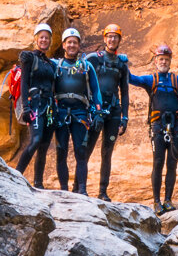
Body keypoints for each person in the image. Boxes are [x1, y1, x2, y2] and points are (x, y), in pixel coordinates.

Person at [84, 23, 151, 201]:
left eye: (115, 37)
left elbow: (125, 92)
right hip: (96, 110)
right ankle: (79, 188)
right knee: (87, 147)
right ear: (104, 39)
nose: (112, 39)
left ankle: (102, 192)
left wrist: (125, 117)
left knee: (107, 151)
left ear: (119, 40)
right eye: (109, 36)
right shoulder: (94, 58)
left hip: (113, 112)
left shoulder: (121, 65)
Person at [50, 27, 102, 193]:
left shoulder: (87, 66)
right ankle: (64, 190)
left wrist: (99, 112)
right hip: (61, 113)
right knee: (61, 151)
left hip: (80, 113)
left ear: (79, 45)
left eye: (75, 42)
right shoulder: (55, 64)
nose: (72, 45)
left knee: (81, 151)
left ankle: (82, 190)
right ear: (64, 45)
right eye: (69, 42)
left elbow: (96, 90)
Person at [12, 21, 58, 184]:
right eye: (41, 37)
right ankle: (16, 176)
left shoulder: (50, 63)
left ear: (50, 41)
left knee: (44, 145)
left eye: (47, 38)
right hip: (35, 104)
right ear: (36, 39)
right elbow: (24, 82)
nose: (44, 40)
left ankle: (38, 183)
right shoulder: (29, 57)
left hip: (49, 107)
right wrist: (26, 107)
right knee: (36, 139)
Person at [144, 44, 178, 213]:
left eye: (166, 60)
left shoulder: (177, 80)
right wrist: (123, 66)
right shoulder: (151, 79)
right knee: (158, 163)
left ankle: (168, 200)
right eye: (161, 59)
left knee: (172, 164)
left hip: (174, 127)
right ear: (155, 61)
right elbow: (131, 79)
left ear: (170, 62)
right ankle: (156, 201)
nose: (163, 62)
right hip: (158, 127)